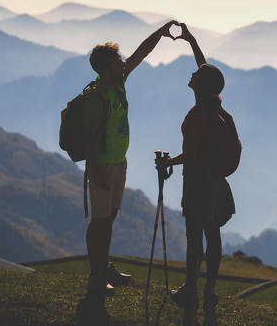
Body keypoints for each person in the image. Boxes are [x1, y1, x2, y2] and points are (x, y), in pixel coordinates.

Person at [79, 20, 178, 317]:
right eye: (118, 61)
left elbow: (139, 55)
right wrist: (96, 173)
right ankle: (97, 276)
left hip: (118, 163)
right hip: (102, 168)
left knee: (109, 218)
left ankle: (104, 268)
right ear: (106, 68)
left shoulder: (118, 83)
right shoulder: (98, 97)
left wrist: (160, 33)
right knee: (99, 221)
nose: (124, 64)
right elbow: (89, 141)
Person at [156, 23, 235, 326]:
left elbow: (191, 156)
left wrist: (168, 164)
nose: (191, 75)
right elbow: (206, 70)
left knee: (194, 238)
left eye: (194, 77)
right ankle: (209, 291)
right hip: (216, 181)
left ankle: (189, 291)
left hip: (198, 182)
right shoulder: (213, 106)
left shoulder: (200, 114)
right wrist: (191, 41)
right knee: (212, 234)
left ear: (200, 85)